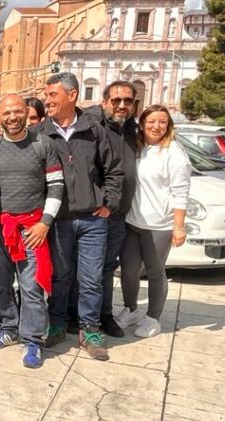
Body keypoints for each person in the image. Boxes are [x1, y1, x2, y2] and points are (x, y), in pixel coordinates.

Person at [36, 72, 123, 360]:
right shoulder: (41, 133)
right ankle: (58, 324)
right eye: (46, 95)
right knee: (60, 277)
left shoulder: (94, 130)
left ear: (72, 95)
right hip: (57, 220)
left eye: (52, 95)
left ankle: (90, 330)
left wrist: (108, 203)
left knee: (91, 278)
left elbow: (113, 170)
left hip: (92, 219)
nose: (46, 100)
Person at [0, 94, 64, 368]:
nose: (12, 117)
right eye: (6, 113)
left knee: (31, 286)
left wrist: (45, 223)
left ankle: (33, 339)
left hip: (32, 228)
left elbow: (57, 186)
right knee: (1, 284)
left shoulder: (43, 144)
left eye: (17, 112)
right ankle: (8, 328)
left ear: (26, 112)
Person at [117, 105, 190, 338]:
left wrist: (178, 227)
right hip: (133, 221)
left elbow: (181, 193)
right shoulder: (138, 148)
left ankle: (153, 318)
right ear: (142, 124)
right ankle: (131, 309)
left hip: (159, 225)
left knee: (156, 272)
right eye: (151, 121)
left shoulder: (174, 153)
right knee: (128, 271)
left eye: (162, 122)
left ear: (168, 126)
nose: (156, 126)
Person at [75, 80, 140, 338]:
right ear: (105, 102)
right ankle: (76, 316)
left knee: (106, 268)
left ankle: (103, 315)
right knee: (84, 270)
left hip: (118, 214)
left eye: (128, 100)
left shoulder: (135, 130)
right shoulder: (92, 124)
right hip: (94, 210)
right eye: (116, 100)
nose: (122, 105)